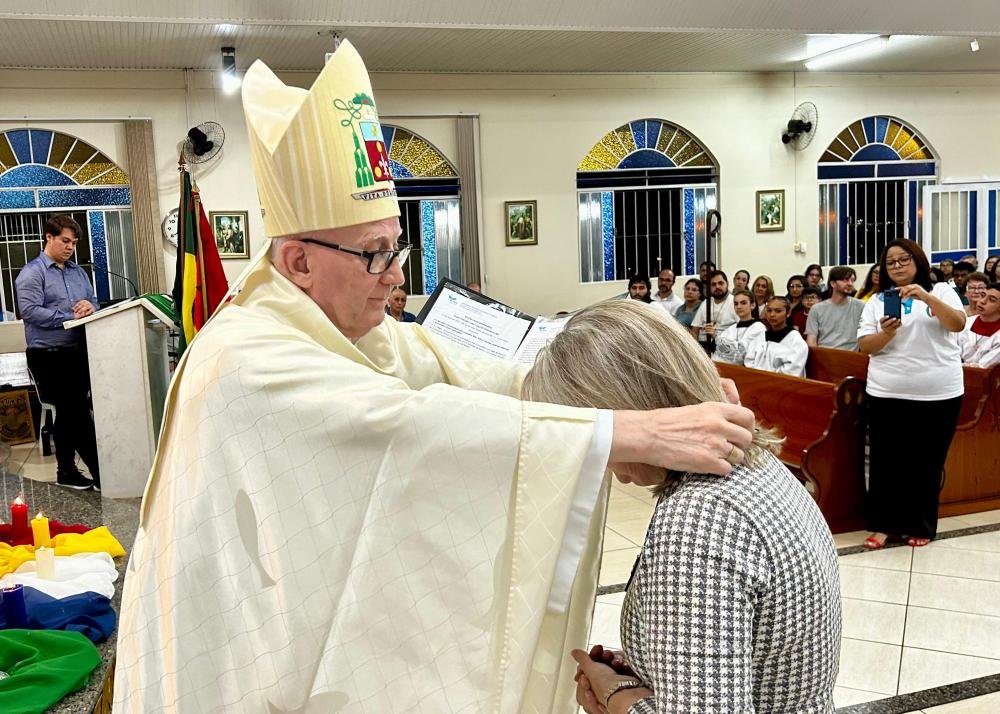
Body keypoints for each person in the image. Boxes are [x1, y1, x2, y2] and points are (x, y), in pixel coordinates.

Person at [113, 43, 755, 713]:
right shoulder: (245, 360)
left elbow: (471, 375)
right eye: (374, 254)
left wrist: (654, 388)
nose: (396, 275)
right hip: (245, 658)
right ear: (298, 262)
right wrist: (627, 431)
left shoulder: (347, 326)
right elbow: (409, 426)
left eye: (399, 245)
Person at [519, 301, 840, 714]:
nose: (601, 463)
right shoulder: (753, 462)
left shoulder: (698, 519)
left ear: (631, 410)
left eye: (600, 440)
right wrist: (662, 663)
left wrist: (615, 696)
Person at [858, 239, 966, 550]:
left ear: (917, 260)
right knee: (886, 461)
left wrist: (926, 297)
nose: (897, 266)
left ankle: (920, 525)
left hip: (938, 392)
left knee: (926, 462)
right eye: (890, 262)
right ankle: (884, 526)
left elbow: (957, 323)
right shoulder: (876, 301)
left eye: (903, 259)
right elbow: (866, 346)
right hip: (887, 390)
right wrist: (887, 333)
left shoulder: (942, 291)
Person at [15, 214, 101, 491]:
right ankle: (102, 473)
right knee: (75, 413)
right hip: (48, 356)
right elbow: (29, 311)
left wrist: (90, 307)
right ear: (49, 237)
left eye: (74, 243)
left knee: (68, 413)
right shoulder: (32, 273)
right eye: (65, 241)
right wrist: (68, 317)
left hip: (77, 352)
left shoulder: (78, 272)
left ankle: (66, 472)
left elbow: (95, 302)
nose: (70, 247)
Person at [805, 266, 865, 351]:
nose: (850, 283)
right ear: (833, 283)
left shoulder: (861, 306)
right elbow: (811, 341)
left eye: (852, 280)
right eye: (845, 280)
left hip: (851, 358)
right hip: (824, 356)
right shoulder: (817, 309)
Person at [745, 296, 808, 376]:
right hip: (755, 380)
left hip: (782, 385)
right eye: (769, 310)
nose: (772, 314)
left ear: (788, 313)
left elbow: (791, 371)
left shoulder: (795, 341)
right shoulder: (760, 337)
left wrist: (765, 377)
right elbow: (749, 361)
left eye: (778, 311)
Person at [710, 289, 764, 365]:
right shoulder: (731, 328)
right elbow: (716, 349)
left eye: (743, 303)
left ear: (752, 305)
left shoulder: (758, 327)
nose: (739, 306)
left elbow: (741, 353)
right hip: (718, 365)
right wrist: (726, 345)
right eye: (736, 304)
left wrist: (719, 340)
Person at [690, 270, 738, 347]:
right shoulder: (706, 303)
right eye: (713, 284)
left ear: (727, 284)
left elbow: (741, 330)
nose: (717, 287)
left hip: (727, 347)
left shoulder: (736, 302)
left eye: (720, 283)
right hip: (704, 346)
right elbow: (695, 329)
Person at [959, 282, 1000, 368]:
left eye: (992, 300)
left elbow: (983, 368)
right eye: (982, 295)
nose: (982, 301)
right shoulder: (965, 322)